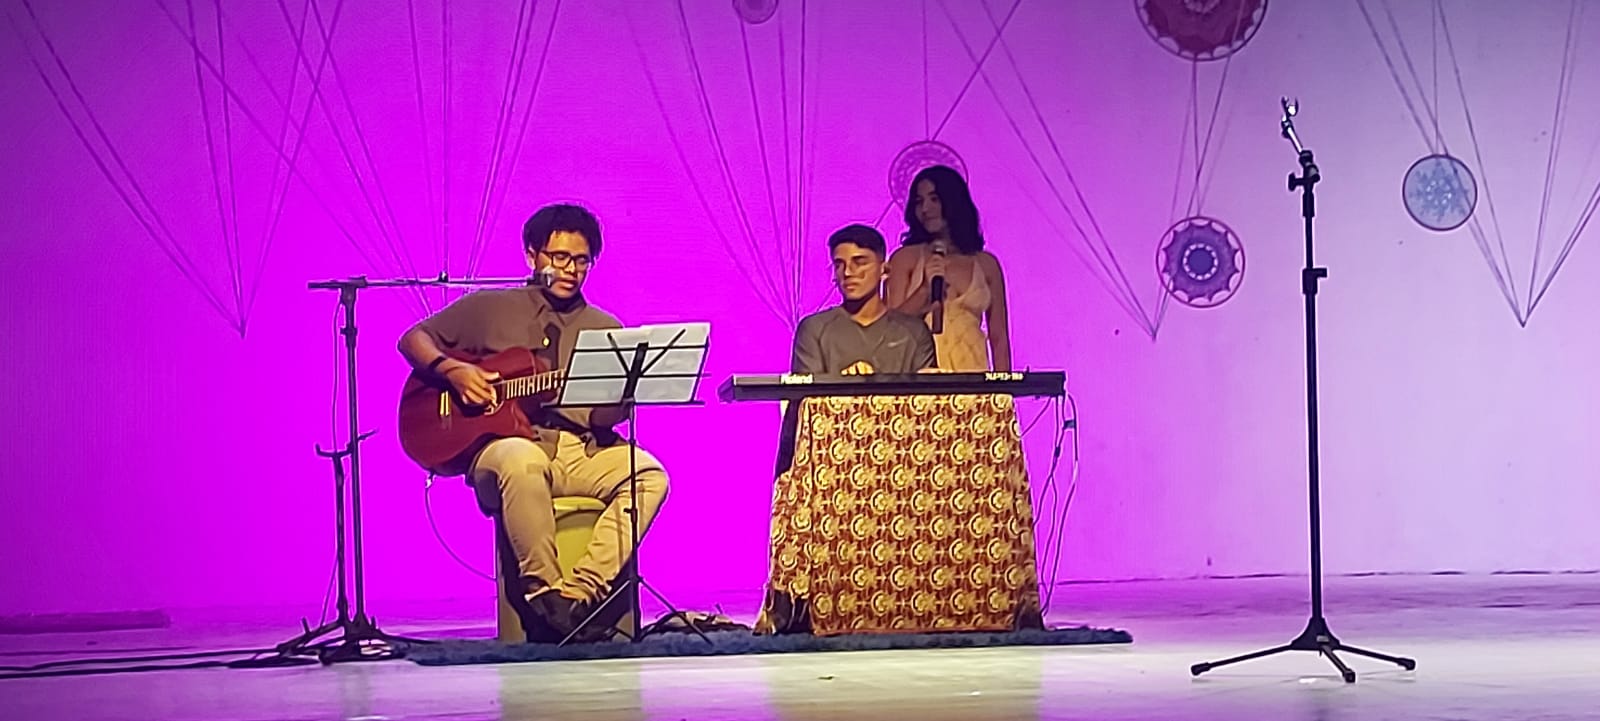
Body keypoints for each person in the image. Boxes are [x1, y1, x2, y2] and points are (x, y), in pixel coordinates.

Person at [396, 203, 668, 643]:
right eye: (559, 257)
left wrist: (621, 399)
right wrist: (454, 371)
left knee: (650, 475)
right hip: (503, 448)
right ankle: (542, 593)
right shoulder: (489, 308)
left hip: (581, 449)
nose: (571, 270)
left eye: (582, 261)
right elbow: (413, 339)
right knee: (523, 459)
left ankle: (575, 598)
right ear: (531, 255)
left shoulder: (606, 329)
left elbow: (605, 417)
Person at [885, 165, 1012, 371]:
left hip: (972, 374)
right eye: (919, 202)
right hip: (919, 377)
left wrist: (1004, 386)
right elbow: (890, 330)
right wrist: (924, 291)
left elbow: (999, 340)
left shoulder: (986, 265)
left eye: (934, 199)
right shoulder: (905, 259)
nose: (925, 209)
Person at [792, 224, 936, 375]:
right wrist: (846, 383)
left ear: (884, 270)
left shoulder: (914, 332)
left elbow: (927, 387)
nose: (847, 272)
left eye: (860, 263)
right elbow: (807, 388)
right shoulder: (815, 329)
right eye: (839, 265)